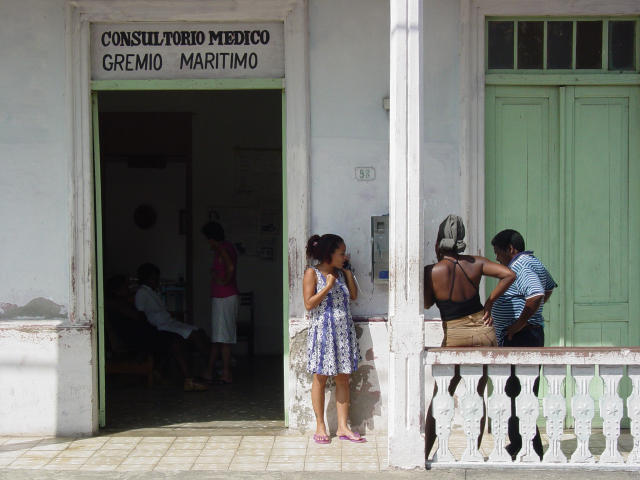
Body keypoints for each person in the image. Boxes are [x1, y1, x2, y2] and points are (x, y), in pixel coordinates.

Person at [424, 214, 516, 458]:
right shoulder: (476, 263)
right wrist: (489, 302)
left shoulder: (432, 271)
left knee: (442, 393)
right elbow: (509, 274)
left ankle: (425, 452)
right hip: (483, 329)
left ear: (439, 241)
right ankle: (473, 452)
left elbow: (426, 302)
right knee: (477, 393)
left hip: (455, 332)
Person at [490, 228, 557, 459]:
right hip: (527, 335)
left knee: (519, 393)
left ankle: (532, 447)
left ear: (510, 249)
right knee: (517, 392)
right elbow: (547, 288)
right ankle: (519, 443)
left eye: (498, 252)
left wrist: (520, 323)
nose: (497, 258)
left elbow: (537, 293)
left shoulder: (519, 265)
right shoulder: (532, 261)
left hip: (522, 338)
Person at [303, 233, 364, 444]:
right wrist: (328, 287)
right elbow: (309, 304)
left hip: (343, 332)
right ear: (329, 254)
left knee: (343, 378)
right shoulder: (312, 273)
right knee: (320, 377)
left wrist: (347, 272)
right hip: (323, 333)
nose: (344, 256)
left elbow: (354, 296)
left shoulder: (342, 273)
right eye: (341, 253)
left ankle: (342, 427)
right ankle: (320, 425)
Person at [134, 263, 211, 391]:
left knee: (199, 331)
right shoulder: (141, 293)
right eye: (154, 278)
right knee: (194, 335)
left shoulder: (152, 292)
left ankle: (210, 364)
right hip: (161, 326)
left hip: (168, 322)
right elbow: (141, 314)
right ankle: (209, 369)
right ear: (146, 279)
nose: (157, 281)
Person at [202, 221, 239, 385]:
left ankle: (226, 372)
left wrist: (223, 281)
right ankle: (211, 371)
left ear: (212, 238)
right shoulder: (224, 248)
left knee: (223, 338)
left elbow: (230, 267)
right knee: (219, 336)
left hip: (225, 296)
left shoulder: (222, 248)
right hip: (222, 297)